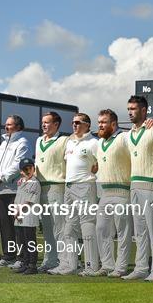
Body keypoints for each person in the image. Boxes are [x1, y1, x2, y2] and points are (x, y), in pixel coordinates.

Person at [123, 96, 153, 281]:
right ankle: (141, 267)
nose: (130, 112)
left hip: (152, 185)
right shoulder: (128, 135)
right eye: (128, 109)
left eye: (133, 108)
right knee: (140, 230)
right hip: (135, 185)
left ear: (143, 110)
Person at [50, 113, 99, 276]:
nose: (74, 125)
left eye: (78, 122)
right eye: (73, 123)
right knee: (69, 228)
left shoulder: (93, 143)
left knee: (87, 226)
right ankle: (70, 265)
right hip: (69, 188)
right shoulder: (70, 142)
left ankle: (91, 266)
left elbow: (101, 163)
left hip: (86, 186)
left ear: (87, 125)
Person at [0, 115, 31, 268]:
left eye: (9, 125)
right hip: (0, 191)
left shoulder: (22, 142)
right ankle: (8, 256)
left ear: (18, 127)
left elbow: (18, 164)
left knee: (17, 226)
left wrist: (2, 177)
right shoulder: (4, 143)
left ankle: (21, 257)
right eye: (5, 125)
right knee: (5, 226)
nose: (6, 127)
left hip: (14, 190)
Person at [94, 109, 132, 277]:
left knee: (123, 232)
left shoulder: (124, 138)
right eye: (99, 122)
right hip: (105, 193)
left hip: (123, 192)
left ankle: (121, 267)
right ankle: (107, 265)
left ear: (114, 124)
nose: (100, 125)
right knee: (101, 230)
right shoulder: (99, 143)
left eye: (103, 122)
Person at [35, 112, 68, 273]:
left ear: (56, 124)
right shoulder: (38, 140)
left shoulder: (64, 141)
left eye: (47, 122)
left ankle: (64, 261)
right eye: (43, 122)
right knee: (47, 227)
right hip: (42, 188)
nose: (44, 125)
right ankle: (50, 260)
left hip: (57, 187)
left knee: (59, 227)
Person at [11, 158, 41, 275]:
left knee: (30, 241)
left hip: (28, 215)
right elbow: (18, 198)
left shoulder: (34, 182)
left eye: (29, 168)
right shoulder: (22, 182)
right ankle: (25, 262)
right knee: (22, 241)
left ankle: (32, 265)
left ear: (33, 169)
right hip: (19, 216)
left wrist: (18, 211)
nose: (27, 171)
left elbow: (28, 202)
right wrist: (15, 211)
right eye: (24, 169)